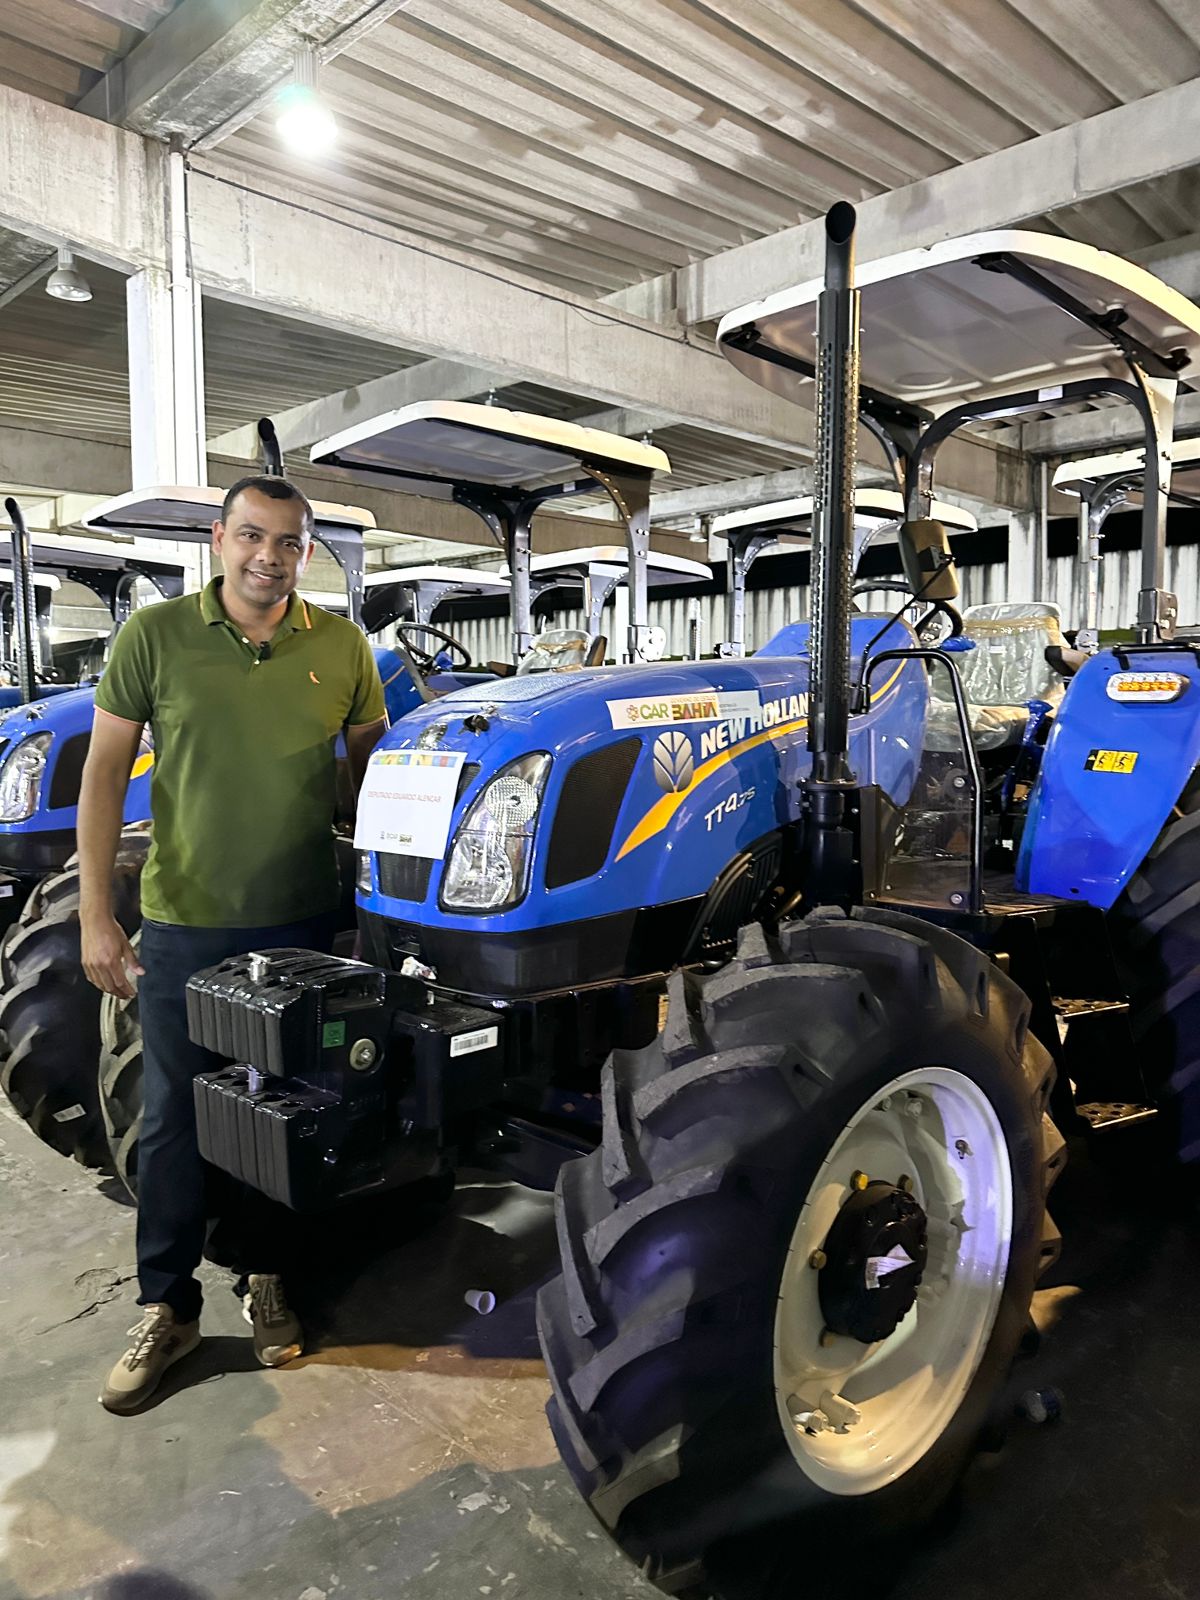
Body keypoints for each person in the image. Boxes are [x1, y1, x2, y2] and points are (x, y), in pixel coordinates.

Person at [79, 476, 386, 1414]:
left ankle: (267, 1276)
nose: (269, 557)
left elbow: (373, 779)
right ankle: (167, 1306)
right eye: (253, 536)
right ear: (219, 539)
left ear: (306, 553)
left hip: (300, 925)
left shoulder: (341, 646)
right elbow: (102, 775)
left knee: (278, 1112)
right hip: (186, 919)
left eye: (289, 543)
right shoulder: (155, 636)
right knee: (174, 1118)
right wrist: (96, 915)